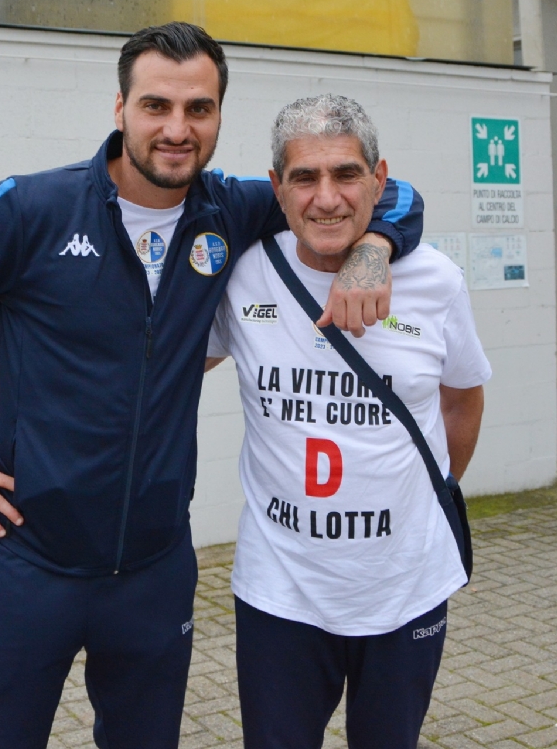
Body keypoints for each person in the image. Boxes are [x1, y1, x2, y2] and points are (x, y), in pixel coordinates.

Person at [0, 23, 424, 749]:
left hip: (154, 575)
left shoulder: (232, 209)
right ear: (120, 109)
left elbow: (394, 191)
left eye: (199, 109)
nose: (176, 128)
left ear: (219, 116)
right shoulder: (32, 209)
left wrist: (374, 250)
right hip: (24, 563)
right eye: (156, 106)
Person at [204, 95, 489, 748]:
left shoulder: (435, 280)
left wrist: (430, 491)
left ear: (380, 180)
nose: (326, 197)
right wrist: (33, 386)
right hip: (281, 591)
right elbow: (161, 367)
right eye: (304, 177)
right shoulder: (247, 274)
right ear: (277, 188)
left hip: (405, 587)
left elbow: (462, 398)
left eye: (346, 174)